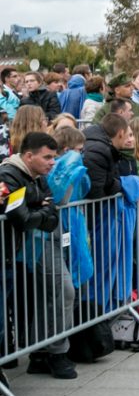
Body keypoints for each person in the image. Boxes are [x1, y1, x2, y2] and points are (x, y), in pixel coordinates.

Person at [0, 132, 77, 379]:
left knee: (60, 292)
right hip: (10, 252)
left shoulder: (38, 176)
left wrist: (38, 210)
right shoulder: (9, 174)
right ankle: (45, 353)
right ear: (29, 156)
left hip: (23, 249)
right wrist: (38, 206)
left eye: (54, 157)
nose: (53, 163)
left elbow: (51, 212)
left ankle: (48, 352)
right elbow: (21, 219)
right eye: (47, 158)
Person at [83, 113, 130, 200]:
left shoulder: (100, 145)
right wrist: (117, 185)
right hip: (93, 209)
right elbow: (96, 192)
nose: (129, 140)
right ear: (121, 133)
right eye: (128, 135)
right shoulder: (99, 152)